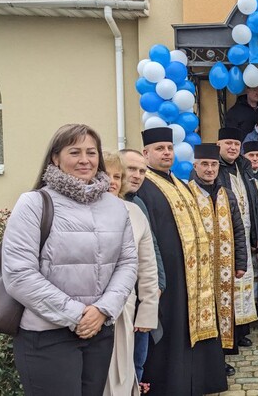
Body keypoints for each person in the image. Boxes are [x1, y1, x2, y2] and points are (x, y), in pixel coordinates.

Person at [2, 124, 138, 396]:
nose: (85, 160)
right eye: (74, 152)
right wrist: (76, 315)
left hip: (99, 333)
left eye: (91, 152)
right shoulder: (34, 203)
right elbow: (19, 274)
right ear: (55, 158)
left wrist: (103, 310)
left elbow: (127, 263)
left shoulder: (115, 207)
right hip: (46, 335)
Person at [136, 127, 227, 395]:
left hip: (194, 274)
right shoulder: (145, 186)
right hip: (171, 277)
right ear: (146, 153)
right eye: (160, 148)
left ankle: (198, 380)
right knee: (173, 330)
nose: (166, 152)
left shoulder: (178, 182)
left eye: (169, 148)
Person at [188, 143, 249, 376]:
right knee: (202, 314)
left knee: (223, 312)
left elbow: (238, 229)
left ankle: (219, 361)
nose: (210, 169)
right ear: (195, 166)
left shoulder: (226, 194)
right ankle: (202, 363)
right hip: (198, 270)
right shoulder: (188, 193)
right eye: (205, 164)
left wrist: (241, 263)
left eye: (213, 164)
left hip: (224, 266)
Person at [103, 152, 159, 396]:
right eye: (106, 175)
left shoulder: (134, 212)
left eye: (118, 176)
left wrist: (147, 311)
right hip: (85, 312)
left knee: (123, 375)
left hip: (125, 309)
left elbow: (148, 266)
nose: (113, 181)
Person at [118, 149, 166, 385]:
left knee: (138, 361)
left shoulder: (137, 203)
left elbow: (152, 245)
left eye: (142, 171)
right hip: (117, 304)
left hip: (141, 297)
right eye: (131, 169)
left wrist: (159, 283)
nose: (137, 176)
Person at [215, 127, 258, 349]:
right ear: (219, 146)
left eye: (236, 144)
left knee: (245, 285)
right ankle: (228, 334)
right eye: (228, 143)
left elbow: (254, 203)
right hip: (226, 239)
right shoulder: (215, 170)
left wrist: (257, 235)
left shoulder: (244, 168)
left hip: (245, 234)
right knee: (229, 286)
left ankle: (242, 330)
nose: (233, 147)